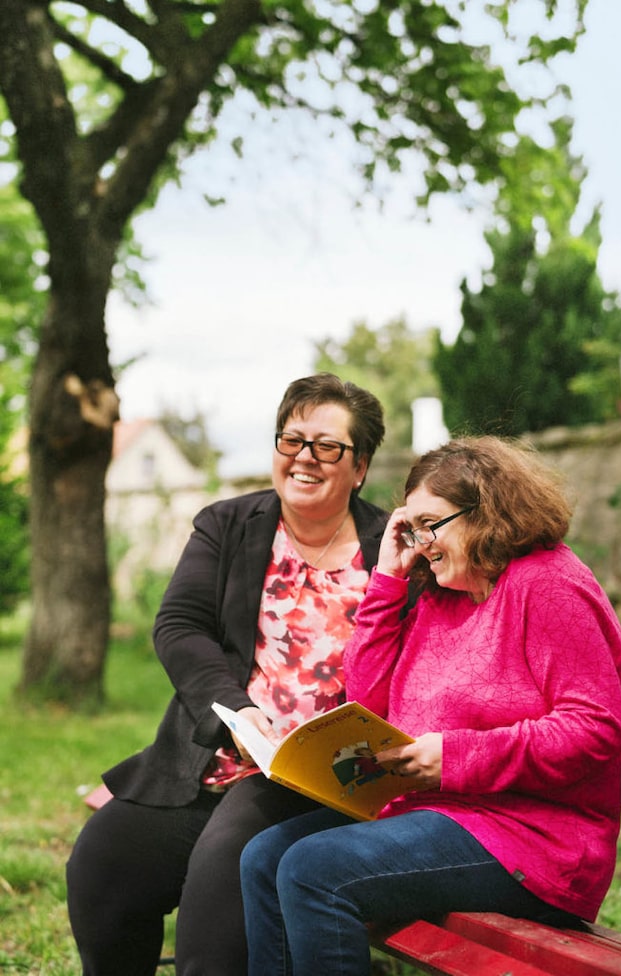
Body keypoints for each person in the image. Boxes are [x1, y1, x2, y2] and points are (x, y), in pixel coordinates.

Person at [240, 435, 621, 976]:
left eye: (431, 524)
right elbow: (370, 698)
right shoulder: (444, 594)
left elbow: (594, 728)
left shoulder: (547, 586)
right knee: (263, 857)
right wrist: (388, 580)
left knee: (313, 868)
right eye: (412, 525)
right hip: (442, 817)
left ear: (488, 515)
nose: (421, 541)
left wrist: (453, 758)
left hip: (535, 841)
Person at [66, 373, 388, 976]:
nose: (305, 458)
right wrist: (236, 709)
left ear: (360, 465)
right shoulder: (229, 524)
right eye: (292, 440)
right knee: (103, 861)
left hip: (316, 779)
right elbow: (179, 625)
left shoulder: (389, 549)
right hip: (217, 758)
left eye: (328, 446)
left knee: (221, 884)